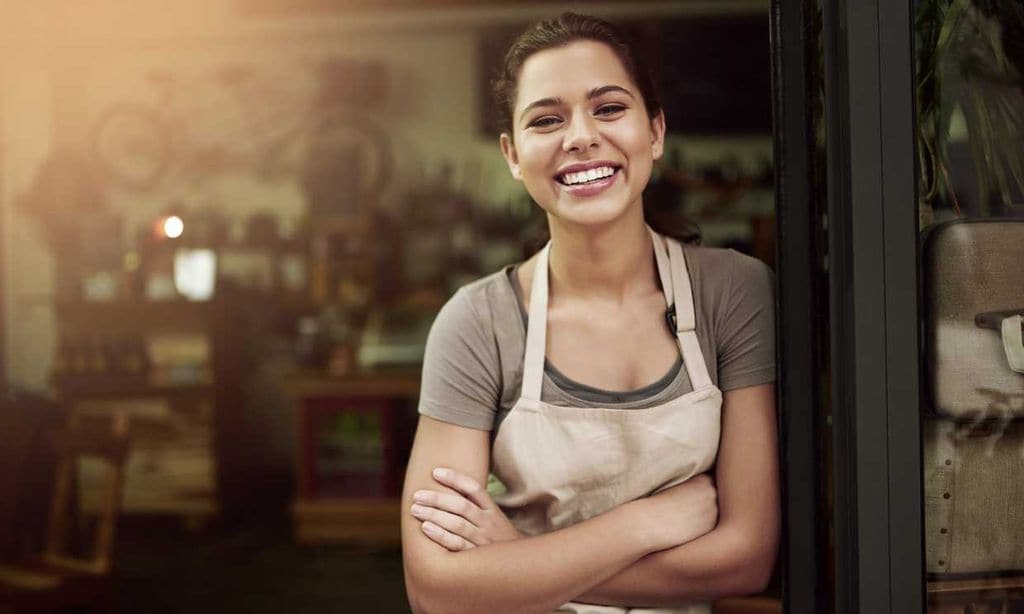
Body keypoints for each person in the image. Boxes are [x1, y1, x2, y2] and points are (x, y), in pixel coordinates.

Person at [401, 12, 779, 614]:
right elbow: (436, 590)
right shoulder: (477, 323)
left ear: (655, 132)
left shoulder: (732, 293)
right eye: (546, 120)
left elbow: (748, 557)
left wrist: (517, 556)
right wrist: (645, 524)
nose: (579, 136)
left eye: (608, 108)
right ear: (513, 155)